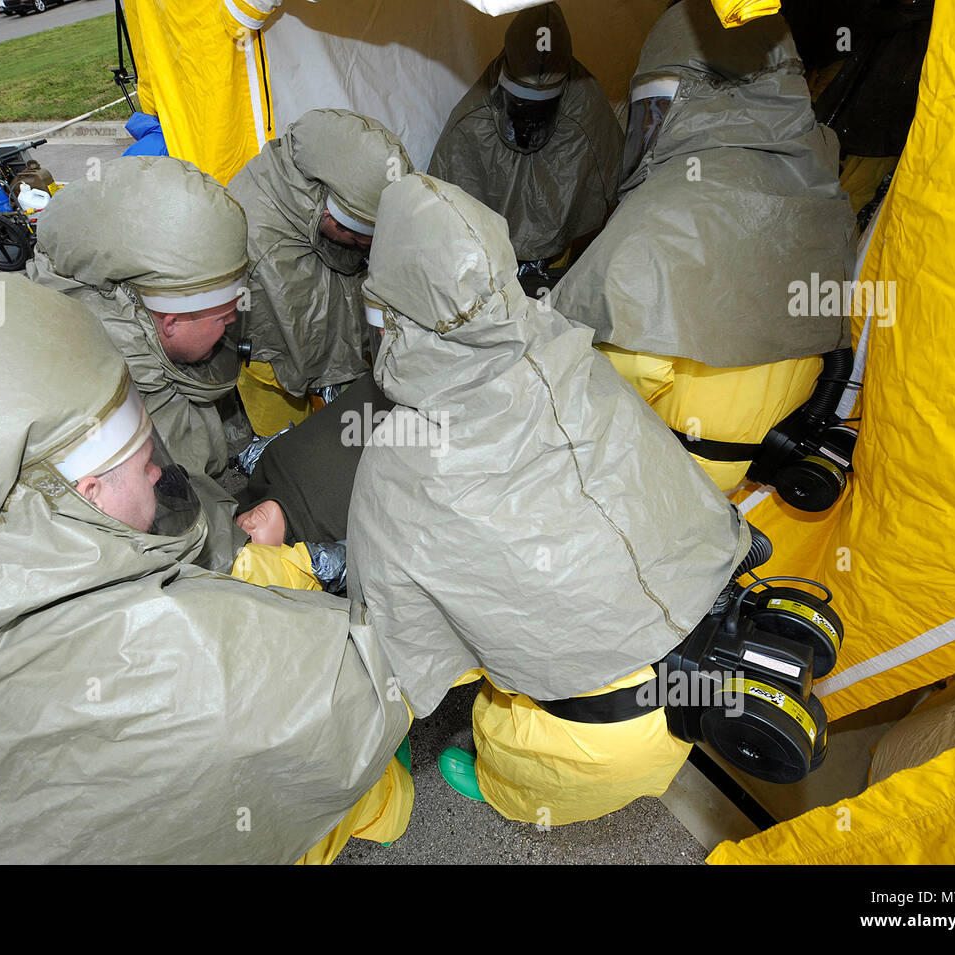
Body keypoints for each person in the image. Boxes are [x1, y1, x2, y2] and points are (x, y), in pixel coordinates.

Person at [0, 274, 412, 864]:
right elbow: (356, 700)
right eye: (145, 465)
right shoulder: (190, 672)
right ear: (84, 493)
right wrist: (283, 569)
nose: (160, 475)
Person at [349, 174, 749, 826]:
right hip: (712, 662)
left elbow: (401, 649)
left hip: (591, 735)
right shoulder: (572, 350)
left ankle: (495, 784)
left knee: (519, 762)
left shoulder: (399, 463)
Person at [552, 0, 856, 493]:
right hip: (756, 452)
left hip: (664, 470)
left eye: (656, 104)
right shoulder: (817, 179)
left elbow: (618, 373)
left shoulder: (664, 213)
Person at [28, 155, 250, 571]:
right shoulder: (113, 385)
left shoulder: (139, 337)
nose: (233, 324)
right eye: (223, 318)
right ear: (170, 320)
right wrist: (248, 559)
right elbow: (170, 518)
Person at [227, 108, 412, 436]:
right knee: (289, 444)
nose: (366, 249)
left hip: (329, 340)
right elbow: (295, 329)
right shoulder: (260, 245)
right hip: (271, 365)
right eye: (360, 240)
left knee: (347, 424)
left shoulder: (356, 168)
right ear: (332, 219)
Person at [427, 2, 622, 293]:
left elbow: (612, 183)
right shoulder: (472, 121)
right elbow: (443, 200)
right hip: (489, 265)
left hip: (556, 265)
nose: (529, 121)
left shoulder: (585, 114)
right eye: (519, 106)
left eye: (542, 109)